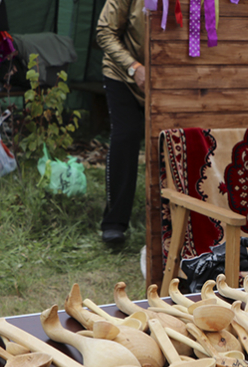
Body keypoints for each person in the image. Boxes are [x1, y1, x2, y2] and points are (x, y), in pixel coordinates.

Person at [96, 0, 147, 244]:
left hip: (167, 79)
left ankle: (171, 217)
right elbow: (104, 31)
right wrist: (133, 67)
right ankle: (114, 222)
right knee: (126, 135)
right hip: (123, 74)